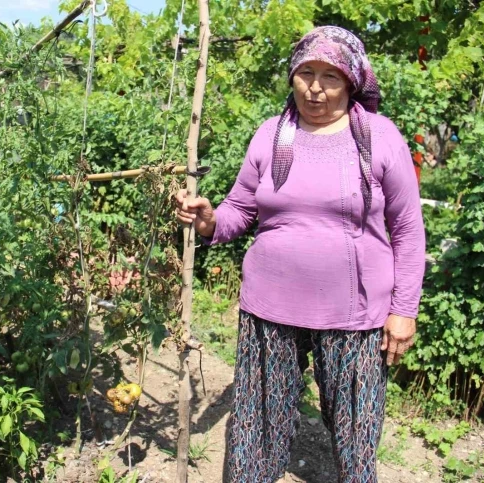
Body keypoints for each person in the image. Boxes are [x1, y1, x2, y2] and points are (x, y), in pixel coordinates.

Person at [175, 26, 425, 483]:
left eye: (330, 76)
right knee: (257, 423)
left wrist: (403, 310)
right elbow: (239, 210)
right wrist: (210, 220)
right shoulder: (272, 135)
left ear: (351, 80)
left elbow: (408, 230)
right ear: (291, 77)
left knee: (356, 430)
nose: (315, 87)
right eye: (305, 73)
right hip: (269, 308)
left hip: (355, 315)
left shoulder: (381, 137)